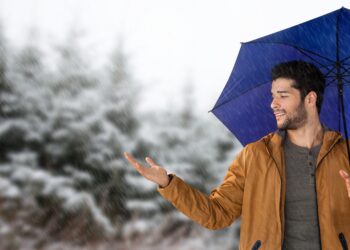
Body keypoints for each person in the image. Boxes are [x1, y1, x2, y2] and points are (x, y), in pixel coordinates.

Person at [124, 60, 350, 250]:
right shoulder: (256, 157)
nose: (273, 104)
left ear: (310, 99)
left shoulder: (346, 155)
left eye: (283, 96)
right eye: (273, 96)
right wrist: (169, 184)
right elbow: (217, 214)